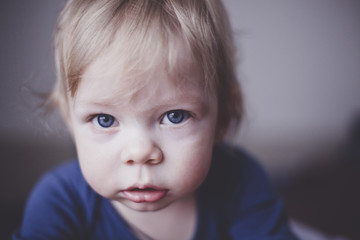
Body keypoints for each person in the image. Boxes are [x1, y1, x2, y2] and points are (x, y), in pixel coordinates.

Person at [14, 0, 298, 239]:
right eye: (104, 119)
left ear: (223, 118)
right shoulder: (60, 201)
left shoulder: (241, 182)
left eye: (174, 117)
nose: (140, 153)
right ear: (69, 120)